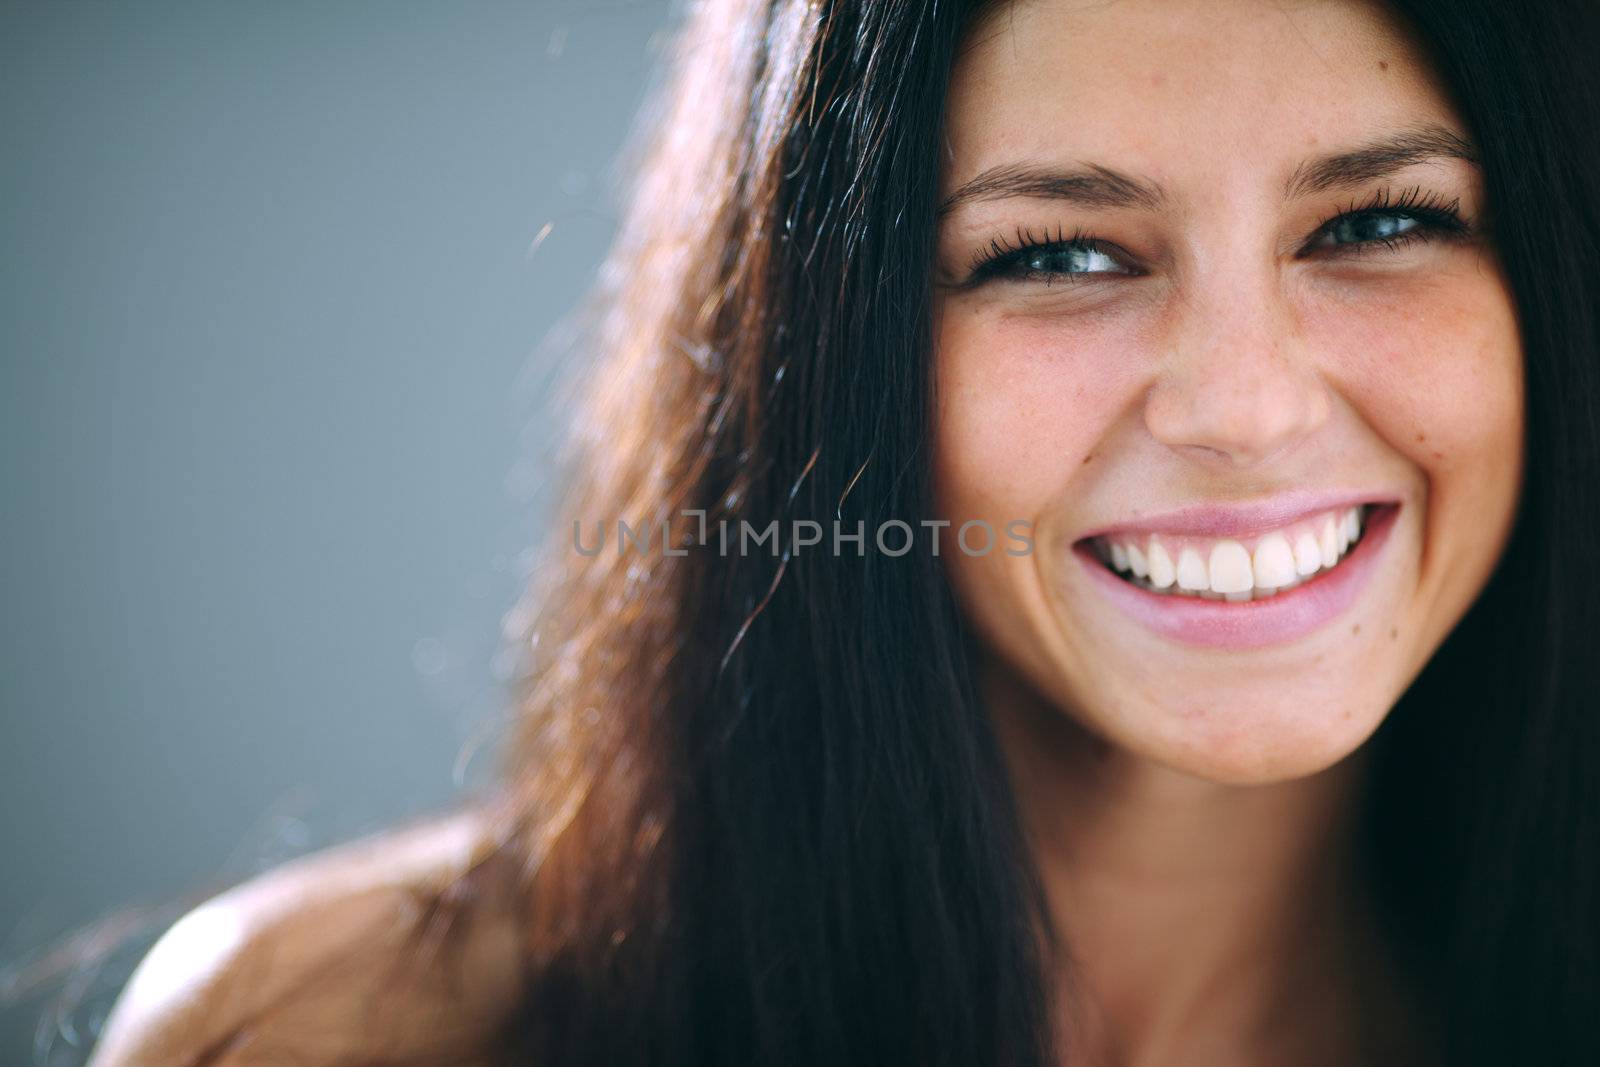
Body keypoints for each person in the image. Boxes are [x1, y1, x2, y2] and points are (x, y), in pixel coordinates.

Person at [87, 0, 1600, 1064]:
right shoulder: (328, 1040)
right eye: (1057, 253)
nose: (1247, 408)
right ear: (820, 360)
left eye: (1379, 224)